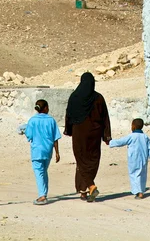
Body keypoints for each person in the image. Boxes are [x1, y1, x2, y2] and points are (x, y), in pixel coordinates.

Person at [64, 72, 111, 202]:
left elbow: (69, 115)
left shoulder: (74, 97)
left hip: (79, 134)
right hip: (95, 135)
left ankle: (90, 186)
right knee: (92, 160)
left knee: (81, 160)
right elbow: (105, 118)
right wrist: (106, 136)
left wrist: (68, 130)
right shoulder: (99, 98)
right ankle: (84, 191)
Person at [109, 118, 150, 199]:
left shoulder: (131, 136)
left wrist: (110, 142)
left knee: (134, 174)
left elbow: (121, 142)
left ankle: (138, 192)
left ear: (133, 126)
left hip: (133, 159)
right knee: (142, 175)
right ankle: (141, 190)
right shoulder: (145, 137)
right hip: (143, 159)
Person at [25, 99, 61, 205]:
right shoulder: (51, 120)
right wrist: (57, 152)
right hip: (48, 150)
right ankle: (44, 193)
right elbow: (55, 138)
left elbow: (29, 135)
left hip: (36, 151)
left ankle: (42, 196)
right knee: (44, 171)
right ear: (45, 108)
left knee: (39, 172)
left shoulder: (32, 120)